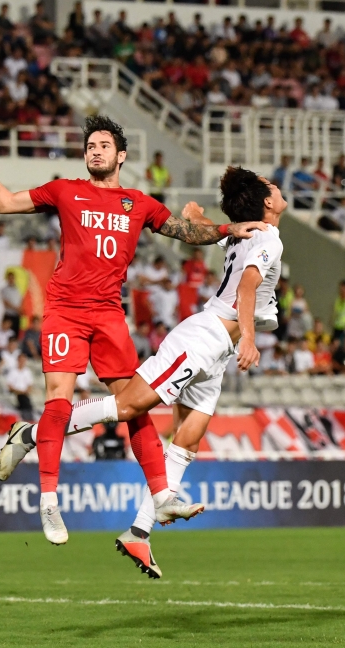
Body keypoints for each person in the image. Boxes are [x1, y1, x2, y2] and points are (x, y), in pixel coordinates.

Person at [0, 115, 265, 545]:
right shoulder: (66, 190)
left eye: (103, 145)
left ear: (121, 155)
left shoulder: (137, 203)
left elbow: (183, 230)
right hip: (65, 309)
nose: (94, 150)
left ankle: (160, 495)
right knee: (59, 402)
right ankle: (48, 503)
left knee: (134, 405)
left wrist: (230, 229)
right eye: (90, 146)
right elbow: (4, 202)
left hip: (108, 314)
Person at [42, 168, 285, 577]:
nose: (280, 193)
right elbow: (246, 288)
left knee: (188, 439)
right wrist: (249, 337)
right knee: (130, 405)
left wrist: (197, 219)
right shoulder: (270, 238)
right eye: (275, 190)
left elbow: (219, 234)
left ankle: (139, 532)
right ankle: (34, 433)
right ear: (266, 202)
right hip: (205, 337)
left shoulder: (249, 233)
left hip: (217, 351)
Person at [5, 354, 35, 421]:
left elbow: (30, 385)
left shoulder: (27, 371)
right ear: (17, 360)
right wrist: (19, 391)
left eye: (23, 360)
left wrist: (26, 391)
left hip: (24, 393)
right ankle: (28, 418)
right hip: (15, 393)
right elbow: (9, 386)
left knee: (25, 399)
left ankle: (27, 417)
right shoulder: (12, 371)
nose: (22, 362)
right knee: (24, 400)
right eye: (21, 360)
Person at [0, 270, 22, 335]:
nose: (11, 280)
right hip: (9, 315)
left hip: (16, 315)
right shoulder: (4, 290)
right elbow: (6, 303)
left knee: (15, 335)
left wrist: (20, 310)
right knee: (6, 334)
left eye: (12, 278)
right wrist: (16, 308)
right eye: (9, 278)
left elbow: (20, 301)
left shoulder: (17, 289)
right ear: (7, 279)